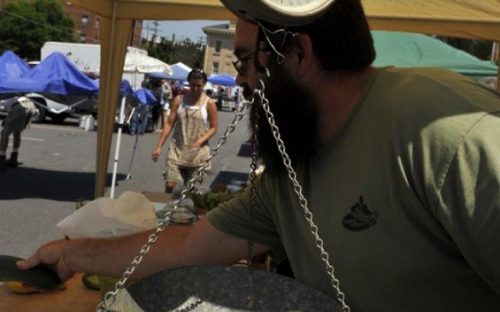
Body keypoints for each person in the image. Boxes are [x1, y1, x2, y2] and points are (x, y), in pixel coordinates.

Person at [17, 1, 500, 311]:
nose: (243, 81)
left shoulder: (447, 132)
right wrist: (73, 254)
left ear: (299, 54)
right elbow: (187, 247)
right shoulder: (294, 165)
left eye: (247, 62)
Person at [152, 69, 218, 193]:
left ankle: (183, 210)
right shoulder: (179, 100)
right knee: (170, 184)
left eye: (199, 85)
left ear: (204, 84)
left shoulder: (209, 104)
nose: (195, 88)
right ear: (188, 82)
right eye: (193, 85)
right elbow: (169, 123)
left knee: (190, 191)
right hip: (177, 149)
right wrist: (159, 146)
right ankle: (167, 208)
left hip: (198, 154)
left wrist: (200, 141)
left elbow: (214, 127)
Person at [0, 96, 38, 170]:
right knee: (17, 132)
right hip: (29, 104)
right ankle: (14, 156)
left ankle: (1, 158)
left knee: (5, 133)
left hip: (18, 106)